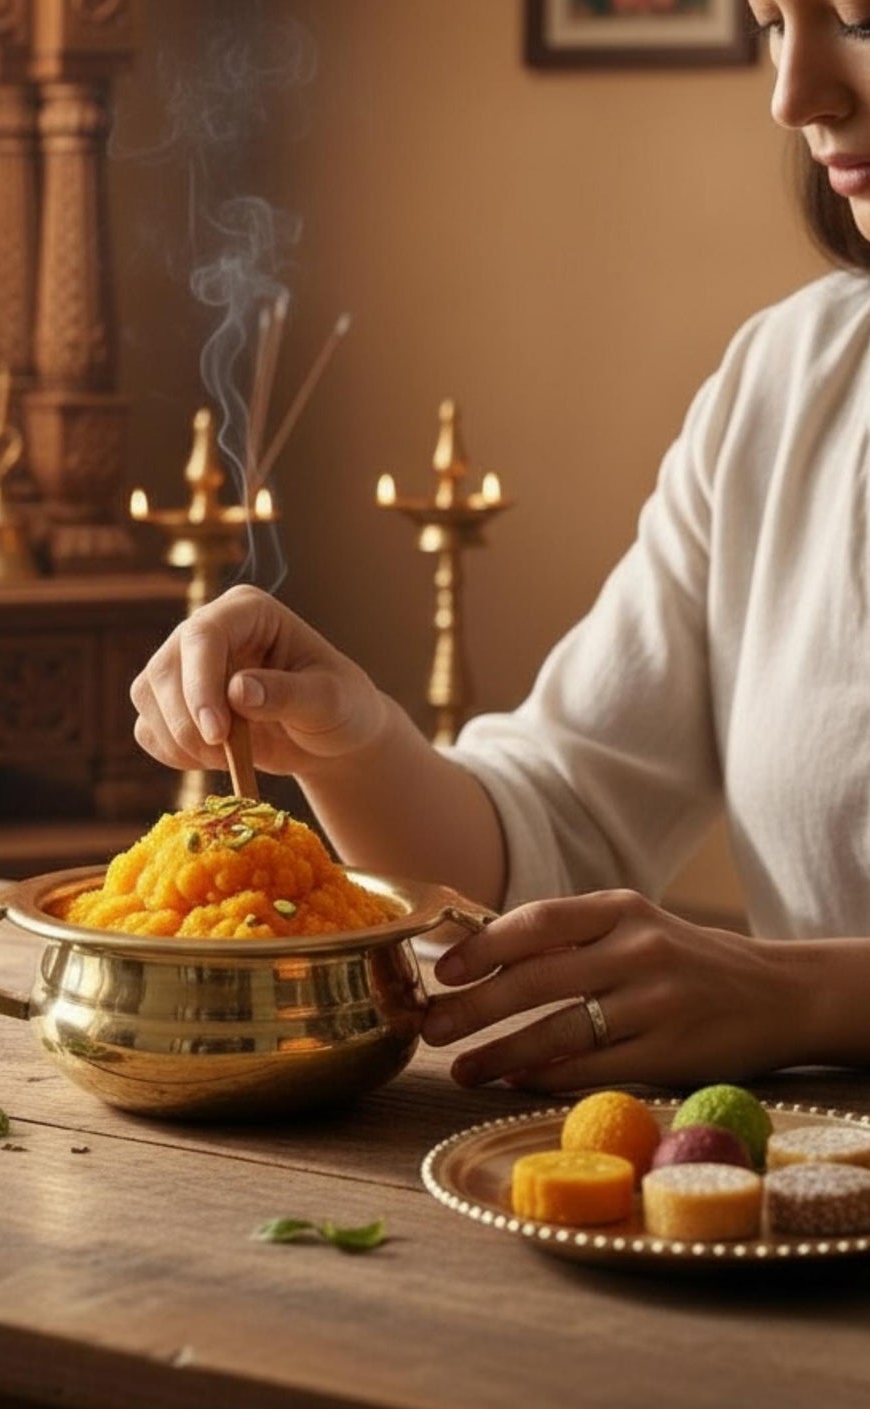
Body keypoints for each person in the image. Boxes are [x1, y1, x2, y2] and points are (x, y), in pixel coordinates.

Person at [130, 0, 870, 1095]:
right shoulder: (791, 380)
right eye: (769, 20)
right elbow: (558, 823)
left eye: (859, 18)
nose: (792, 94)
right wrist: (351, 738)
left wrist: (806, 995)